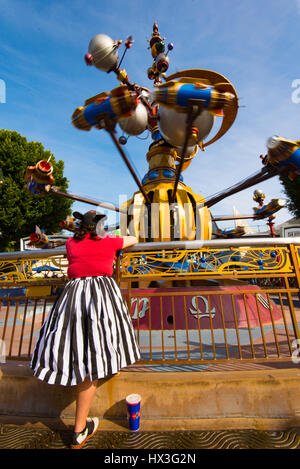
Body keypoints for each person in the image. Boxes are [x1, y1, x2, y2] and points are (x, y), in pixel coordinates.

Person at [30, 210, 140, 449]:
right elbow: (134, 239)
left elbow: (76, 242)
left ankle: (75, 369)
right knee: (103, 337)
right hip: (102, 295)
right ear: (100, 227)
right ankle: (79, 430)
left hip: (73, 295)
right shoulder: (109, 242)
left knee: (75, 340)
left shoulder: (71, 243)